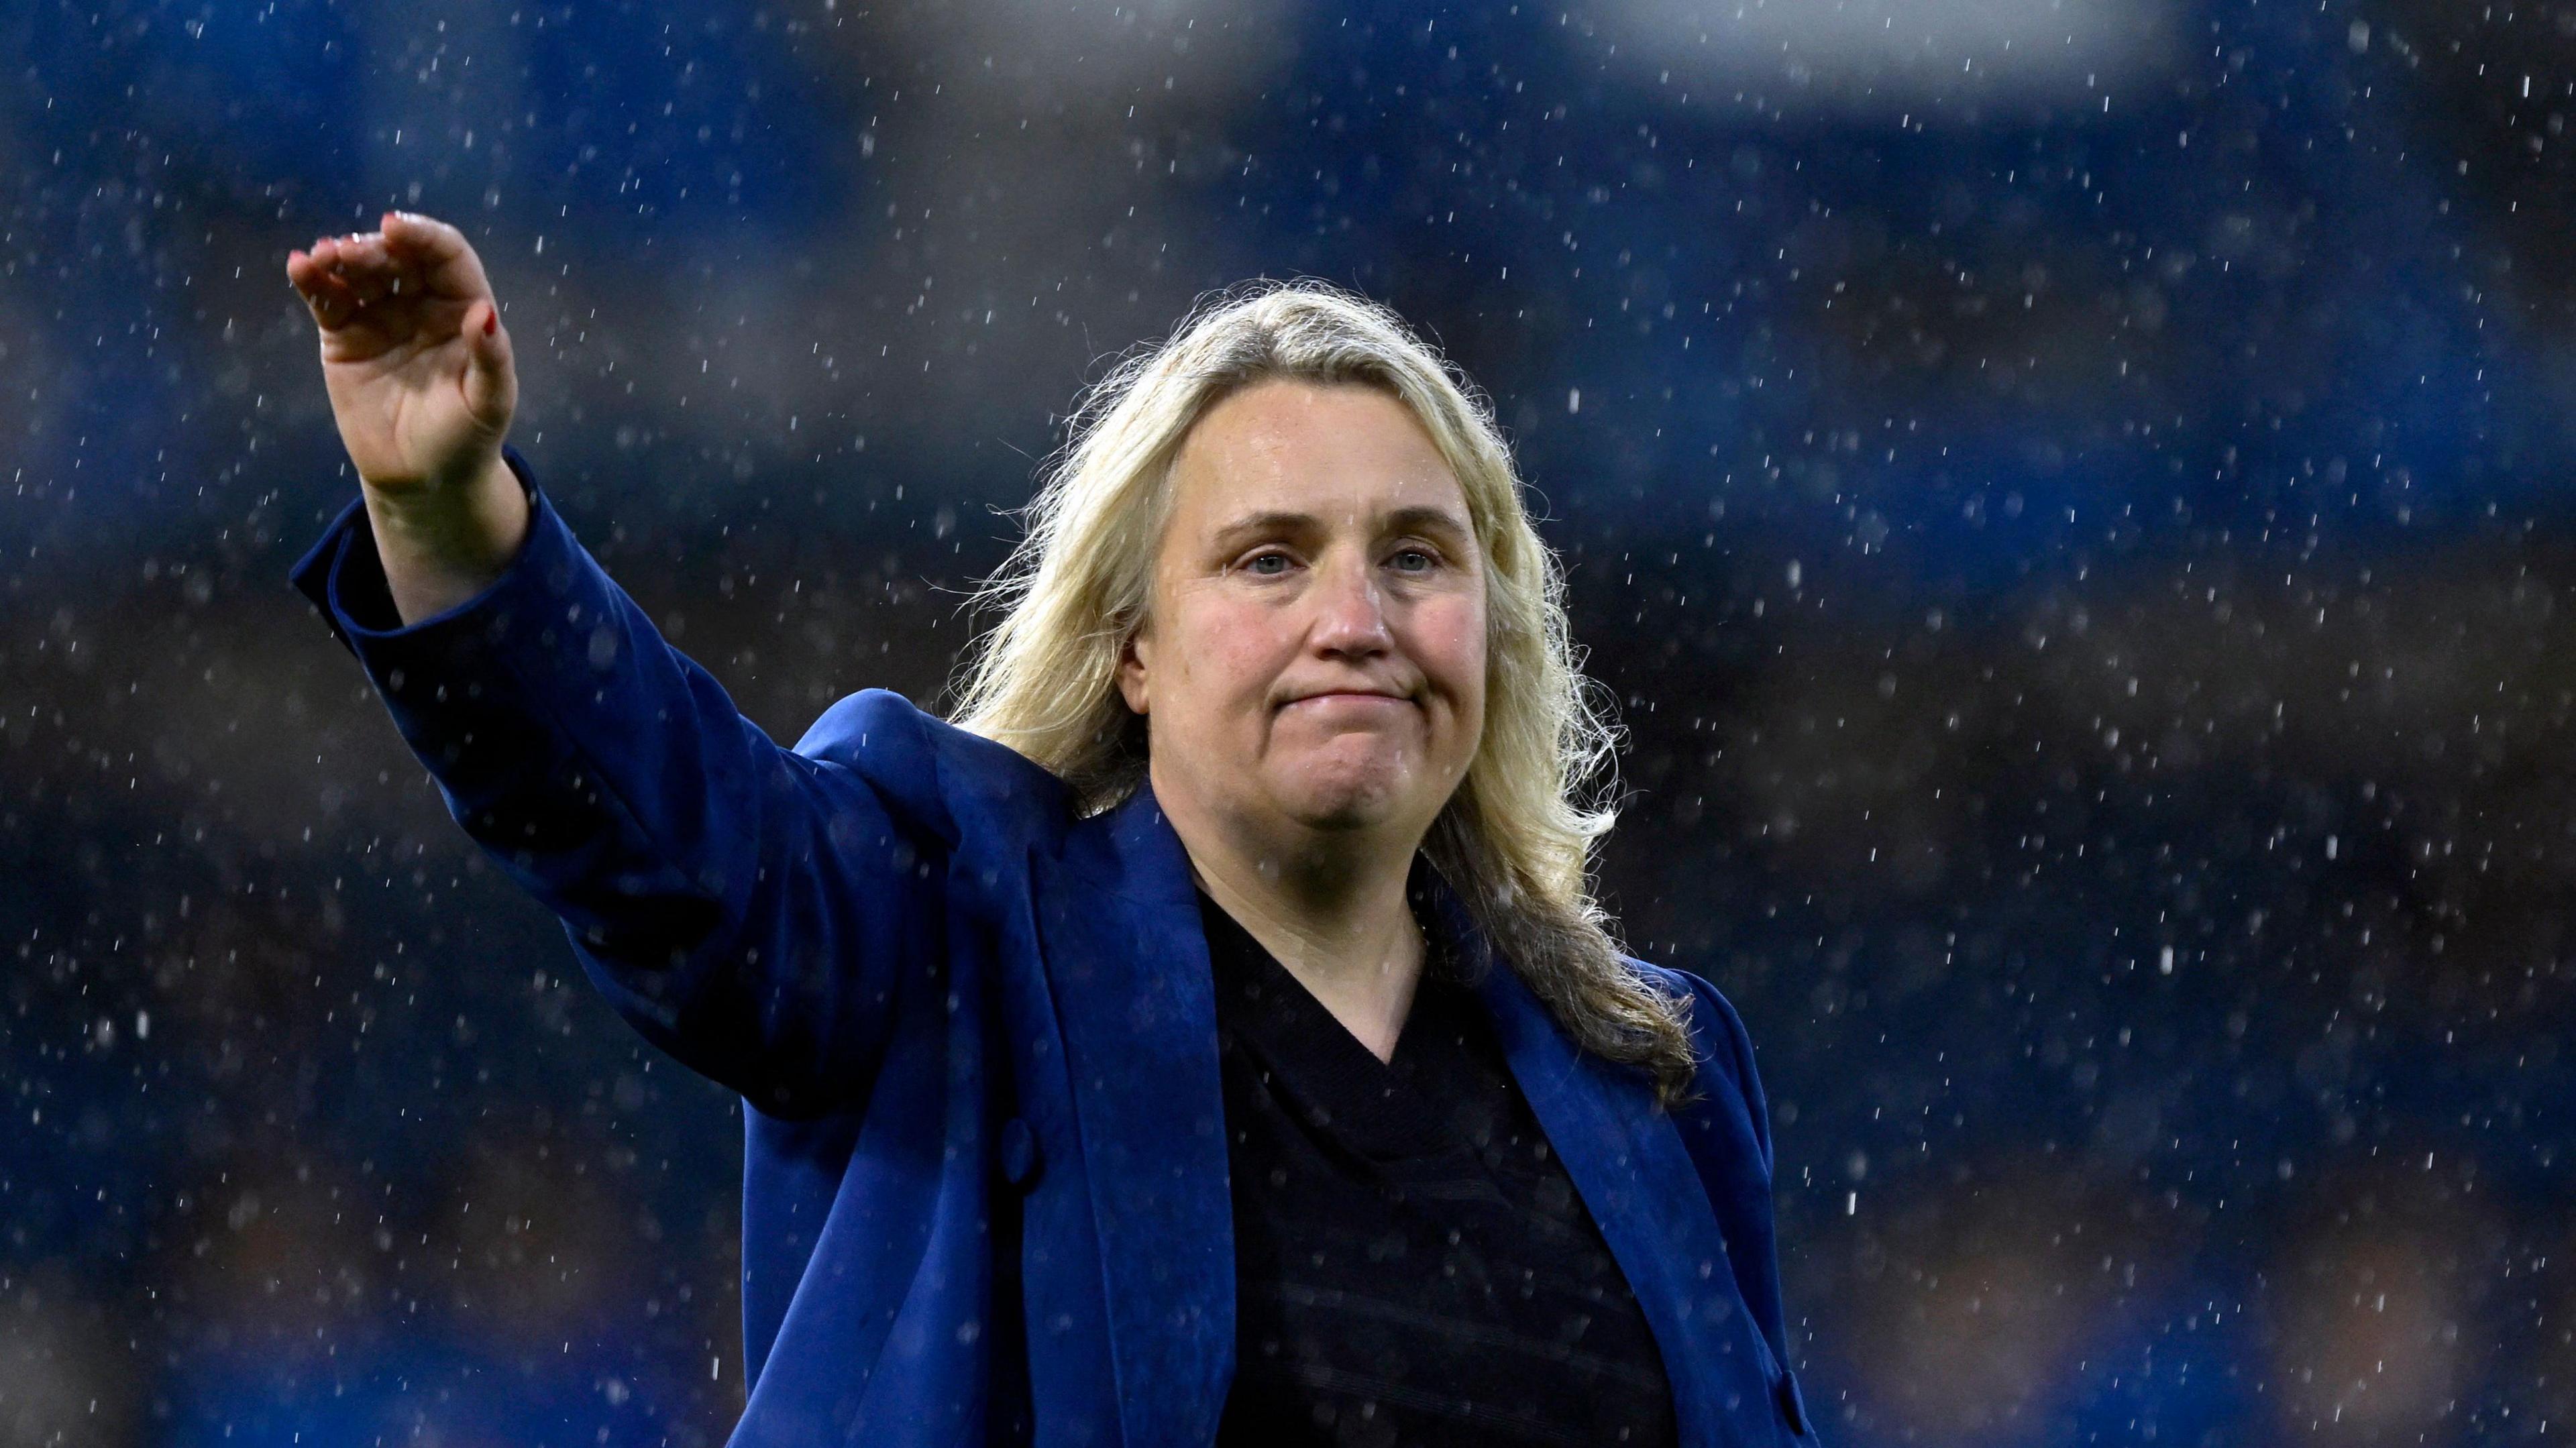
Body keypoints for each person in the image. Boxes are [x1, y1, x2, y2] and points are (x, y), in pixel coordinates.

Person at [282, 211, 1817, 1447]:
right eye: (1271, 561)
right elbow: (667, 838)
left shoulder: (1652, 1074)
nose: (1355, 620)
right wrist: (444, 516)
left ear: (1490, 629)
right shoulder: (947, 929)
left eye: (1415, 556)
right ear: (1135, 650)